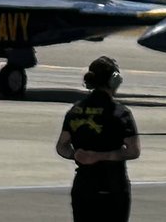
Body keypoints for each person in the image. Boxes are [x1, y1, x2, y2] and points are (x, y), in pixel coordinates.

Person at [55, 55, 141, 222]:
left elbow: (61, 146)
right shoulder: (120, 113)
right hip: (112, 185)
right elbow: (133, 151)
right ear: (114, 80)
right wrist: (102, 156)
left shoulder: (75, 111)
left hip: (84, 185)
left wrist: (77, 155)